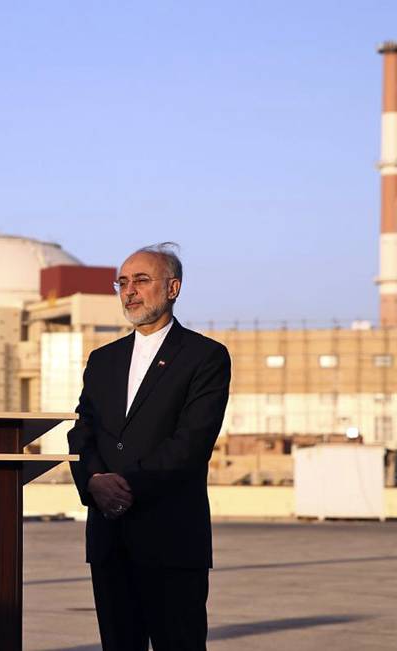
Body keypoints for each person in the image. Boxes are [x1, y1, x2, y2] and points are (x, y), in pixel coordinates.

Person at [68, 242, 231, 651]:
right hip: (110, 540)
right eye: (122, 282)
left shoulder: (204, 357)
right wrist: (93, 482)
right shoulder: (103, 360)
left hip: (171, 539)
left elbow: (191, 442)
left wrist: (123, 486)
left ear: (173, 288)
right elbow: (81, 432)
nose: (129, 291)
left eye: (141, 280)